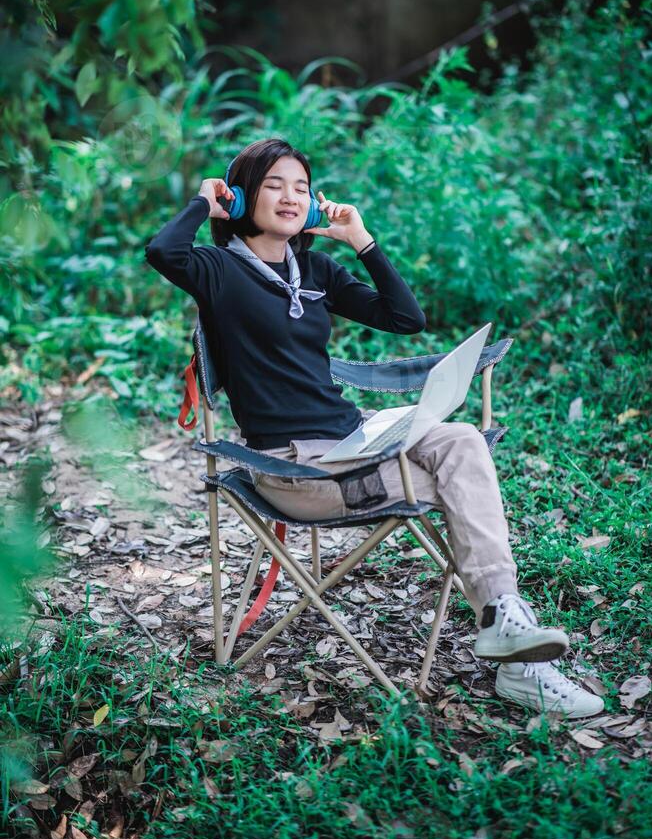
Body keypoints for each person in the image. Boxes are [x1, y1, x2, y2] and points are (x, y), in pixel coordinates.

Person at [145, 137, 603, 719]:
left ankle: (506, 622)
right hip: (296, 470)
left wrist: (360, 240)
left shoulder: (313, 268)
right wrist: (204, 204)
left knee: (462, 441)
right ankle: (522, 665)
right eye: (273, 185)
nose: (291, 196)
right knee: (467, 477)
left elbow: (405, 318)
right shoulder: (214, 269)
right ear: (241, 197)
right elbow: (163, 251)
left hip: (354, 443)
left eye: (302, 188)